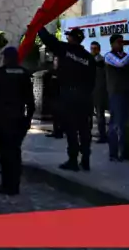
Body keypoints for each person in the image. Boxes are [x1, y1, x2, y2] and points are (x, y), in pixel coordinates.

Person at [37, 27, 96, 172]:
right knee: (84, 130)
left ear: (71, 38)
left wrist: (39, 26)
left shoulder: (65, 50)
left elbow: (49, 40)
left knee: (71, 129)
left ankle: (73, 160)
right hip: (84, 97)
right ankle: (86, 160)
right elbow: (92, 80)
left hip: (69, 95)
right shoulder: (89, 58)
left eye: (69, 36)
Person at [0, 46, 35, 195]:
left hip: (3, 118)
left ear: (5, 58)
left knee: (4, 152)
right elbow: (31, 100)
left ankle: (6, 183)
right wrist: (28, 119)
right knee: (15, 152)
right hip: (19, 117)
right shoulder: (24, 73)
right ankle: (15, 184)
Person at [104, 34, 129, 162]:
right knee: (115, 123)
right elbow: (119, 64)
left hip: (127, 93)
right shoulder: (109, 56)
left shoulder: (126, 56)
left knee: (126, 122)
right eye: (119, 42)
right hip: (116, 93)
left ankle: (124, 152)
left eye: (122, 42)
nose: (121, 45)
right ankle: (113, 153)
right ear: (112, 44)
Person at [90, 41, 109, 144]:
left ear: (99, 49)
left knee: (99, 114)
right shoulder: (90, 60)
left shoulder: (101, 61)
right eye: (92, 48)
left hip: (99, 90)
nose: (93, 50)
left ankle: (103, 135)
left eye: (95, 48)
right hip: (90, 90)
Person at [44, 56, 63, 139]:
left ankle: (59, 131)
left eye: (57, 60)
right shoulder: (51, 71)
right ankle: (56, 131)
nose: (56, 62)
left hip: (60, 96)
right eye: (55, 60)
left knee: (59, 114)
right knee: (54, 115)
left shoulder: (62, 72)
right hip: (52, 95)